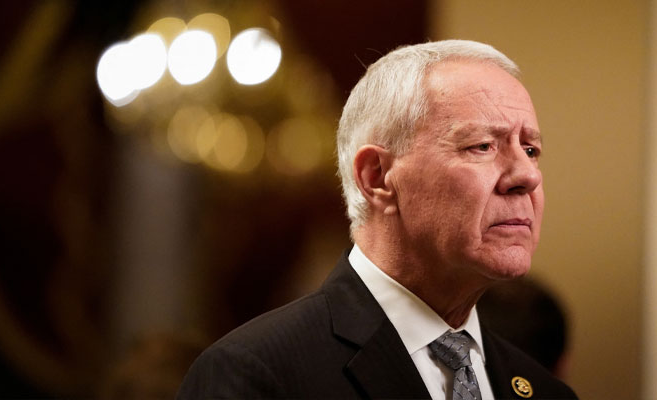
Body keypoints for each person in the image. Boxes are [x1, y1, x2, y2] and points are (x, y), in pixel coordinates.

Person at [176, 40, 578, 399]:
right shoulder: (257, 376)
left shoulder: (544, 392)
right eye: (482, 146)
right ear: (377, 177)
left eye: (530, 149)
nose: (527, 176)